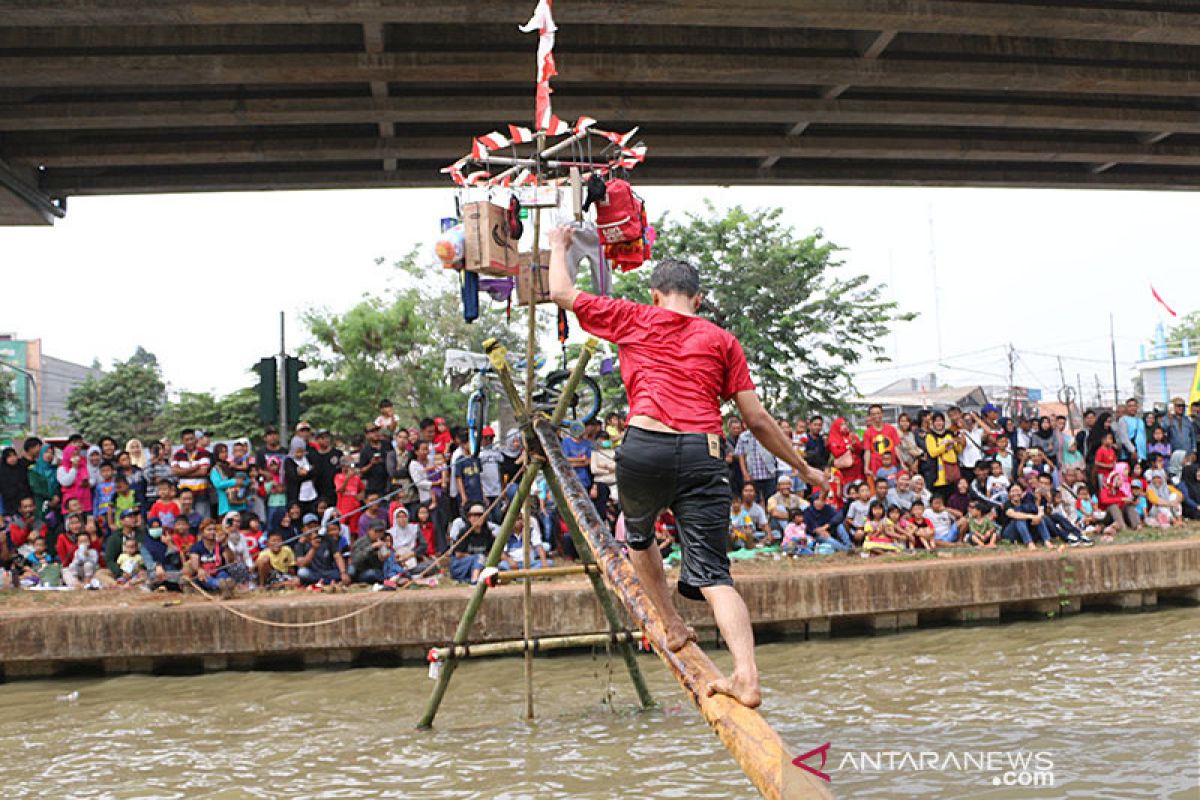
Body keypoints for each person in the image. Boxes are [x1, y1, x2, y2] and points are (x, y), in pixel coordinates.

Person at [550, 231, 827, 708]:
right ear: (698, 299)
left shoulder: (634, 316)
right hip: (704, 453)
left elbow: (560, 292)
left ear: (655, 295)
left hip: (645, 446)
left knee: (639, 538)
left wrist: (559, 244)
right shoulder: (722, 340)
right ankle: (747, 676)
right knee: (716, 576)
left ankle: (671, 624)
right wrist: (804, 468)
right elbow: (757, 420)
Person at [447, 502, 496, 584]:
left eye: (479, 515)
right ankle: (475, 580)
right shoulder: (464, 533)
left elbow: (490, 552)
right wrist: (476, 557)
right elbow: (458, 554)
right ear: (469, 518)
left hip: (479, 564)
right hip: (461, 566)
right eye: (473, 515)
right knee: (479, 558)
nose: (476, 518)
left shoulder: (488, 534)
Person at [171, 429, 212, 520]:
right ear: (182, 441)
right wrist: (194, 468)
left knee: (203, 520)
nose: (190, 442)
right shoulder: (177, 454)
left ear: (195, 439)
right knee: (185, 520)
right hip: (184, 494)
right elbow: (174, 472)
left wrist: (183, 473)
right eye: (187, 440)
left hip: (201, 493)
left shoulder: (203, 453)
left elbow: (203, 472)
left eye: (191, 439)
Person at [729, 483, 769, 549]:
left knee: (774, 534)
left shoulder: (757, 509)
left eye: (751, 491)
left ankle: (752, 544)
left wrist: (768, 535)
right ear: (742, 493)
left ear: (755, 493)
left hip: (750, 534)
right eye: (746, 491)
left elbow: (764, 524)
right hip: (735, 535)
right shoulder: (732, 509)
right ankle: (752, 545)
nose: (749, 493)